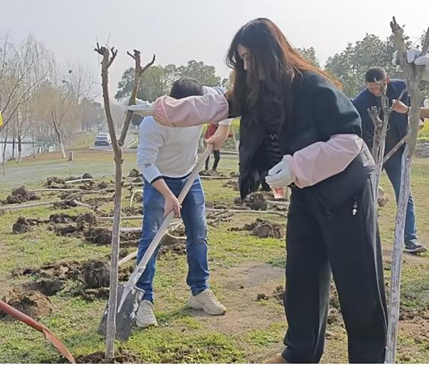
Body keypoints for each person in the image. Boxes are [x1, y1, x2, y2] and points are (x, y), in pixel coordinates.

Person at [134, 18, 388, 363]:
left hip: (347, 192)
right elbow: (215, 105)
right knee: (301, 276)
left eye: (250, 58)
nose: (246, 67)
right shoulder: (257, 91)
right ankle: (298, 353)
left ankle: (372, 357)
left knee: (358, 283)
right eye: (241, 60)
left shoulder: (313, 87)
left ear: (271, 54)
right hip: (308, 193)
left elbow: (349, 140)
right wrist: (164, 110)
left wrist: (299, 164)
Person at [134, 77, 230, 329]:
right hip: (159, 181)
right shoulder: (152, 122)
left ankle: (199, 291)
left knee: (198, 233)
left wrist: (223, 129)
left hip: (190, 175)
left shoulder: (204, 99)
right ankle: (144, 299)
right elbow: (144, 163)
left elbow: (231, 99)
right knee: (151, 237)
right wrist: (167, 195)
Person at [352, 67, 427, 254]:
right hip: (372, 155)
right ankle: (364, 238)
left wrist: (413, 115)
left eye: (378, 87)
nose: (375, 92)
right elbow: (357, 132)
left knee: (404, 194)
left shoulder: (403, 89)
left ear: (387, 80)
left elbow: (421, 114)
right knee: (366, 196)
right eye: (371, 89)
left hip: (397, 153)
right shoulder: (360, 102)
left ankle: (410, 239)